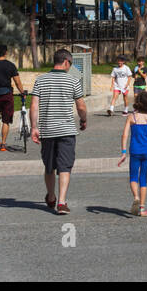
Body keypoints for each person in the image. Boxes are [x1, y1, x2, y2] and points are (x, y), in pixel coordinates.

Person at [31, 48, 88, 215]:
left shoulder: (40, 80)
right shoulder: (73, 81)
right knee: (65, 166)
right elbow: (81, 106)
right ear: (66, 62)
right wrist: (83, 120)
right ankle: (62, 202)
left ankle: (51, 195)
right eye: (70, 64)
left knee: (49, 167)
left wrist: (34, 127)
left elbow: (34, 106)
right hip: (66, 131)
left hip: (47, 131)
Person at [118, 90, 147, 217]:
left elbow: (124, 135)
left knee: (133, 177)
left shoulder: (132, 117)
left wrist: (123, 152)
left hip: (134, 151)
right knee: (143, 178)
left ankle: (136, 197)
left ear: (137, 103)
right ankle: (141, 208)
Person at [0, 44, 26, 151]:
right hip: (7, 94)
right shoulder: (10, 65)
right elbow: (17, 81)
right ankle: (3, 144)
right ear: (6, 53)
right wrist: (22, 92)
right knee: (6, 120)